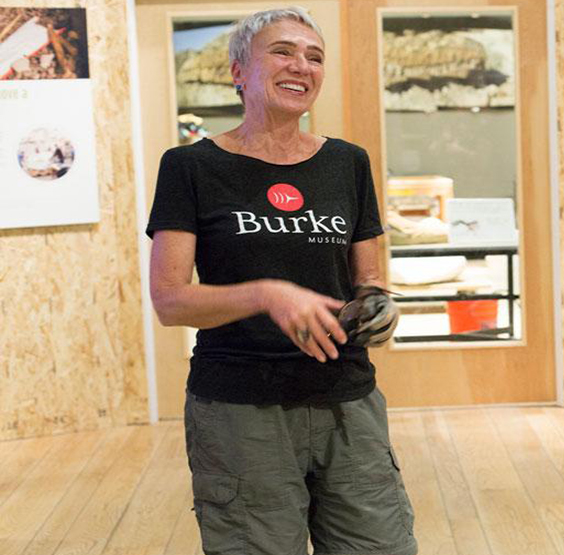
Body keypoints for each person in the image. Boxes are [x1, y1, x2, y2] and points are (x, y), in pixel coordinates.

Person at [146, 8, 417, 555]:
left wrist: (377, 307)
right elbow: (170, 301)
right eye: (283, 51)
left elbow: (368, 278)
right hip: (240, 411)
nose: (302, 66)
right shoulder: (189, 167)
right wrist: (268, 294)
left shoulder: (347, 163)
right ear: (238, 71)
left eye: (315, 57)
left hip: (348, 401)